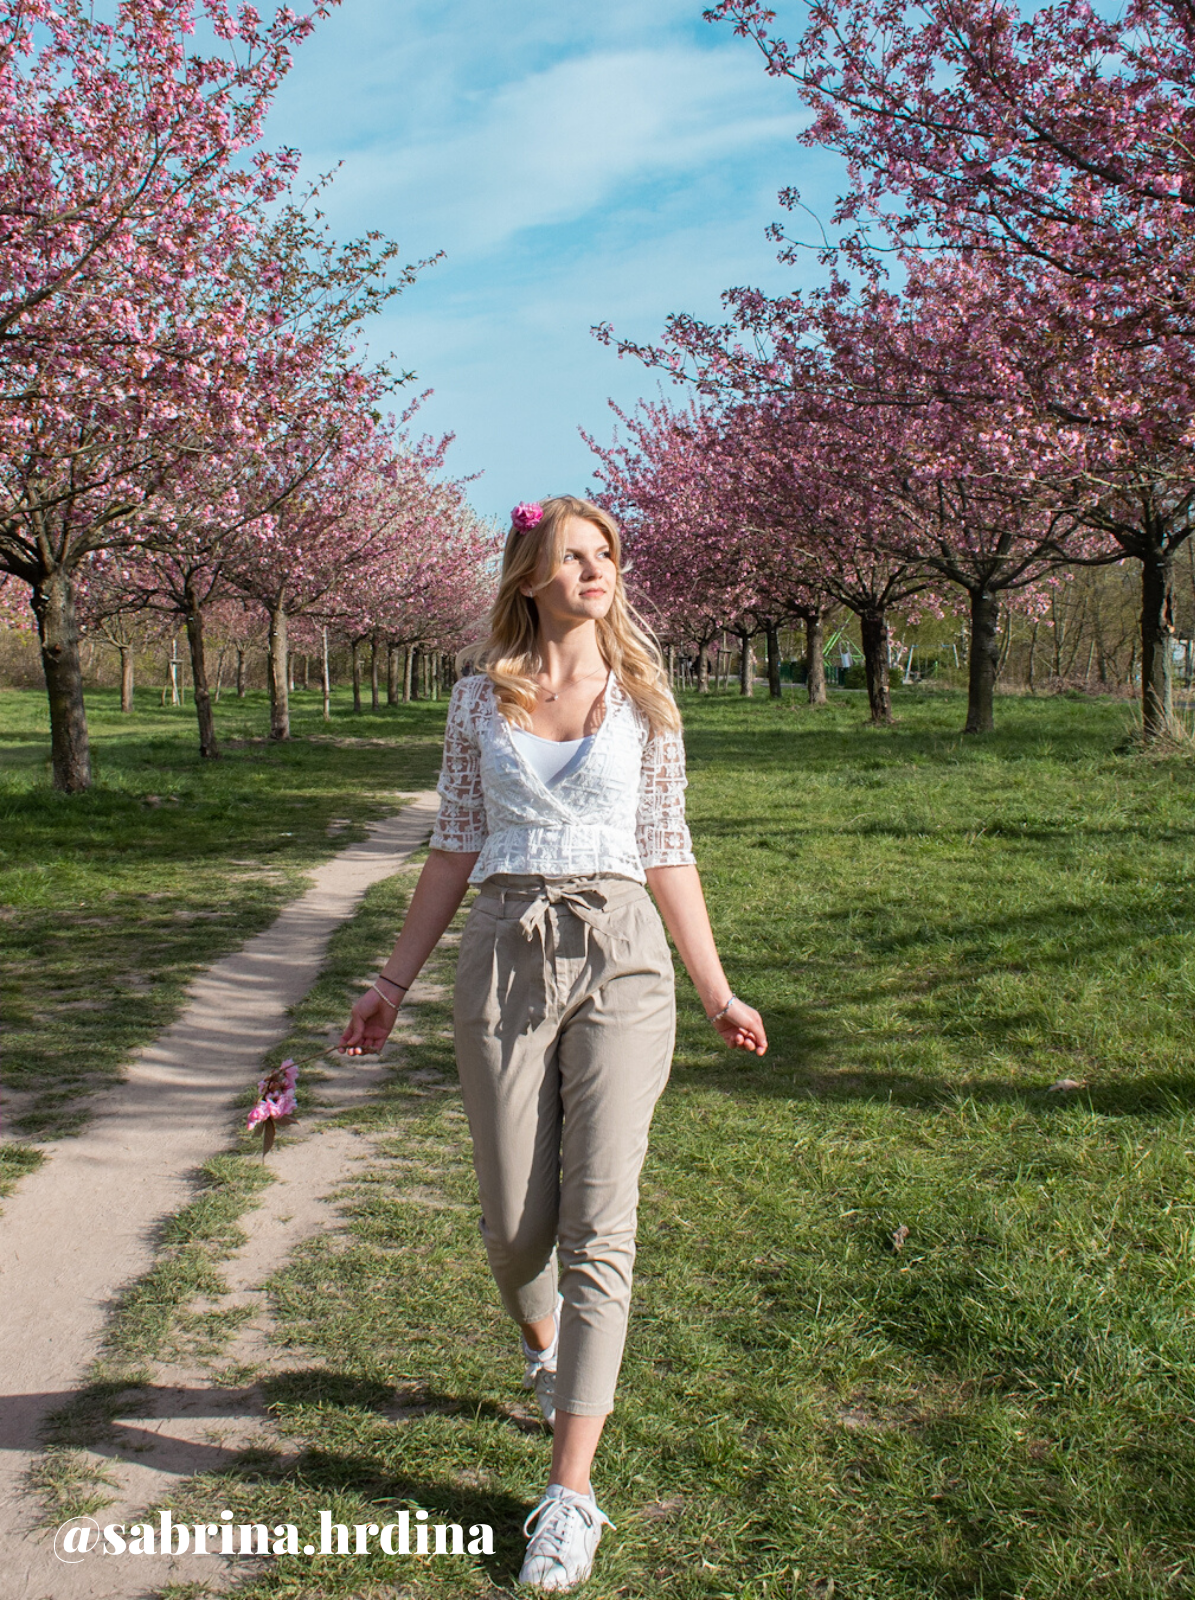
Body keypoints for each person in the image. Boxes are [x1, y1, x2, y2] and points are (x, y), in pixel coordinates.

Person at [339, 494, 767, 1592]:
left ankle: (570, 1493)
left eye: (606, 555)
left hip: (623, 952)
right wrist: (391, 981)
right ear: (528, 576)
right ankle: (543, 1352)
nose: (596, 571)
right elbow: (452, 843)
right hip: (504, 945)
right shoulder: (477, 701)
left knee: (596, 1219)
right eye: (572, 556)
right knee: (511, 1228)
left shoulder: (645, 701)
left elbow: (668, 847)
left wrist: (715, 989)